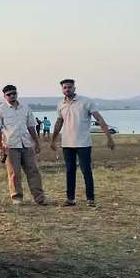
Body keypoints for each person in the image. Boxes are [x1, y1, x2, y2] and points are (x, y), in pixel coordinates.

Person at [50, 78, 115, 206]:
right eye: (65, 87)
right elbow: (59, 122)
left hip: (83, 143)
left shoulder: (86, 102)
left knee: (86, 170)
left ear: (74, 88)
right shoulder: (60, 104)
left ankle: (90, 199)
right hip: (67, 144)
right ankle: (70, 199)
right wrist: (53, 140)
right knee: (70, 171)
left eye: (69, 87)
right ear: (62, 90)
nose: (67, 89)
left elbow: (99, 119)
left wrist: (109, 137)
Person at [0, 84, 45, 205]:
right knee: (14, 173)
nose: (12, 96)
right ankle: (17, 197)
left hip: (26, 144)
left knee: (33, 171)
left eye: (14, 94)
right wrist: (0, 147)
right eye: (9, 94)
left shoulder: (25, 107)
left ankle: (39, 197)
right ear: (4, 96)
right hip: (10, 146)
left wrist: (37, 142)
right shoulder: (0, 110)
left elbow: (31, 126)